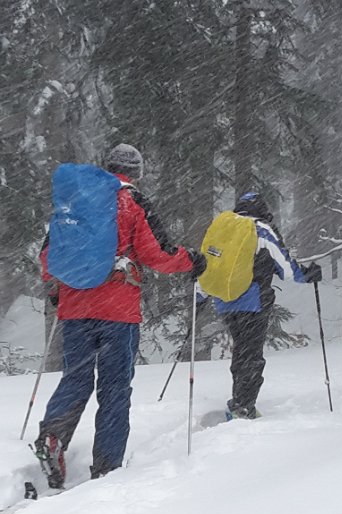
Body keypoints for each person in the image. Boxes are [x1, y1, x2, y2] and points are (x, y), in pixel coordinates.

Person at [35, 143, 206, 487]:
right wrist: (191, 259)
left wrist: (59, 288)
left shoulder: (76, 199)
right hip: (117, 309)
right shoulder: (132, 201)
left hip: (75, 306)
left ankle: (53, 436)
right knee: (114, 388)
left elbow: (48, 256)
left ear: (106, 166)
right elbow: (156, 253)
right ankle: (106, 468)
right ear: (136, 171)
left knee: (76, 377)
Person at [197, 191, 322, 420]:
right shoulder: (261, 230)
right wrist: (307, 274)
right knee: (251, 355)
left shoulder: (226, 229)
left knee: (242, 351)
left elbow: (211, 265)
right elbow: (285, 267)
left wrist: (199, 296)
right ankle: (243, 408)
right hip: (253, 302)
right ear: (262, 209)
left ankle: (239, 401)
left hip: (225, 302)